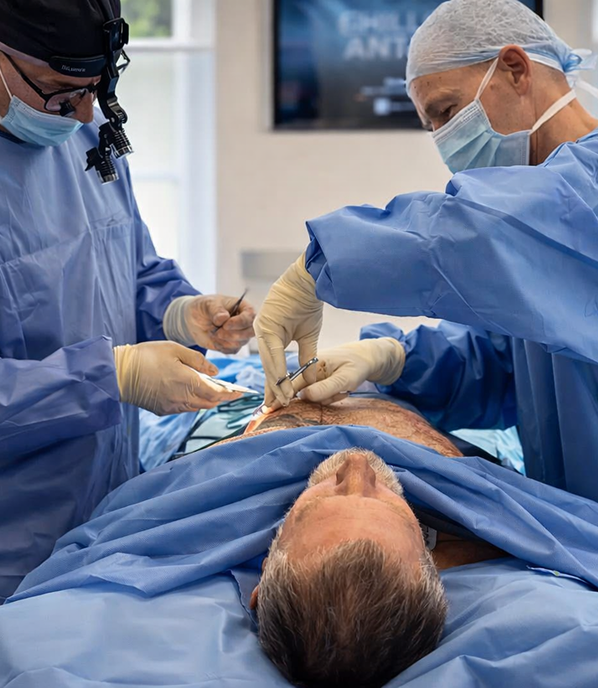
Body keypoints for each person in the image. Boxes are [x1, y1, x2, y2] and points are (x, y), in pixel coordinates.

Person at [255, 0, 598, 502]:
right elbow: (508, 370)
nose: (442, 138)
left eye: (447, 111)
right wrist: (395, 359)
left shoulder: (577, 193)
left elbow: (468, 232)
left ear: (515, 68)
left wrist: (316, 269)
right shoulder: (539, 219)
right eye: (430, 124)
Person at [0, 0, 255, 602]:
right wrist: (107, 376)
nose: (86, 111)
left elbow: (126, 262)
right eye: (63, 91)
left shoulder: (81, 129)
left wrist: (177, 312)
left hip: (105, 514)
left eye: (97, 88)